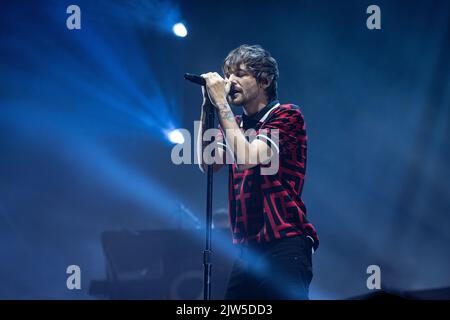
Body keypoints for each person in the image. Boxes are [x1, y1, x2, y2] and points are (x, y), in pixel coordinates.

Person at [196, 44, 319, 300]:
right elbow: (209, 163)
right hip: (248, 251)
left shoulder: (287, 116)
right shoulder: (235, 124)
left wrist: (222, 106)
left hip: (285, 243)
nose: (231, 81)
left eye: (240, 74)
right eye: (228, 75)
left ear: (265, 80)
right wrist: (207, 107)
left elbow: (246, 158)